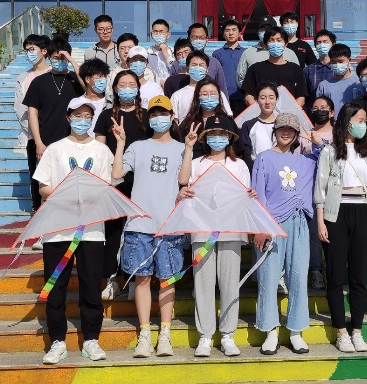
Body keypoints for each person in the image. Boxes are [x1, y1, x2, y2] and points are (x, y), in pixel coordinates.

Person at [37, 97, 113, 364]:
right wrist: (66, 196)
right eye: (77, 116)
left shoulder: (101, 150)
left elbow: (106, 185)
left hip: (91, 230)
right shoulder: (55, 149)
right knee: (55, 285)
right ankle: (57, 341)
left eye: (87, 117)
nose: (82, 120)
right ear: (68, 117)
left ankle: (91, 339)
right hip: (58, 229)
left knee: (91, 285)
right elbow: (43, 187)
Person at [110, 95, 185, 358]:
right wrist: (120, 143)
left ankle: (165, 333)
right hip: (139, 223)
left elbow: (185, 180)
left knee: (167, 279)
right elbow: (116, 175)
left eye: (163, 113)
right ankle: (144, 333)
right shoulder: (137, 147)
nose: (158, 118)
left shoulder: (182, 148)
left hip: (169, 224)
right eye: (153, 114)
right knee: (142, 279)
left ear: (172, 117)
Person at [178, 114, 252, 358]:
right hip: (202, 228)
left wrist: (249, 196)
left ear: (229, 137)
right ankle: (205, 335)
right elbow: (183, 181)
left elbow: (245, 197)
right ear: (205, 138)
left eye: (221, 134)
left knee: (230, 283)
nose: (217, 138)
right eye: (212, 134)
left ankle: (228, 334)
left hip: (231, 229)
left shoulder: (239, 165)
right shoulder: (197, 163)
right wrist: (188, 148)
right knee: (203, 283)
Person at [314, 101, 367, 354]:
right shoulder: (330, 151)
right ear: (347, 121)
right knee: (336, 275)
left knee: (359, 277)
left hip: (362, 212)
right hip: (335, 214)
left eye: (365, 121)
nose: (363, 125)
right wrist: (321, 221)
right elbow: (320, 189)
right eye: (359, 120)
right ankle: (341, 331)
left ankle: (357, 331)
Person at [251, 113, 315, 356]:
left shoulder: (307, 161)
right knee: (268, 277)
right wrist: (261, 228)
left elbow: (331, 153)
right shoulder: (263, 158)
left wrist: (316, 140)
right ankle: (270, 330)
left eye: (291, 129)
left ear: (297, 134)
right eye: (281, 129)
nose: (285, 133)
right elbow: (258, 193)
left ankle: (296, 330)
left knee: (298, 276)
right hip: (272, 224)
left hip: (299, 222)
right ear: (274, 131)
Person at [94, 70, 147, 300]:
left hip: (142, 183)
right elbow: (99, 150)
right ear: (115, 89)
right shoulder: (106, 116)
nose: (127, 88)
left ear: (138, 87)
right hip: (114, 182)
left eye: (131, 84)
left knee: (137, 232)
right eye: (122, 85)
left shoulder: (147, 116)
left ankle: (134, 278)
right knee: (113, 232)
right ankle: (111, 279)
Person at [23, 41, 84, 210]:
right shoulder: (39, 82)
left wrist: (71, 61)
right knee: (46, 185)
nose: (59, 61)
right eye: (55, 57)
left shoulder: (74, 78)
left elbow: (88, 88)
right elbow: (32, 113)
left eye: (62, 57)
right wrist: (38, 142)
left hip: (73, 141)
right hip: (47, 141)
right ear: (48, 57)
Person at [14, 35, 51, 211]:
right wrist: (34, 133)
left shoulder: (54, 74)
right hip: (31, 136)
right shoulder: (23, 77)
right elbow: (19, 108)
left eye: (32, 49)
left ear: (44, 51)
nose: (29, 53)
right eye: (26, 50)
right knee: (35, 174)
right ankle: (37, 210)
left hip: (55, 133)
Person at [302, 96, 334, 289]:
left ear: (332, 112)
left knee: (334, 234)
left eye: (323, 107)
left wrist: (320, 144)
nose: (319, 111)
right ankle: (316, 270)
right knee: (314, 232)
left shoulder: (340, 134)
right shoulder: (304, 134)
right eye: (315, 108)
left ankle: (334, 270)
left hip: (334, 191)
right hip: (311, 190)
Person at [240, 26, 308, 107]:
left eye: (279, 40)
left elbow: (301, 97)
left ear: (286, 44)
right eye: (271, 40)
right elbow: (249, 97)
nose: (275, 43)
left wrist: (291, 111)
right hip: (261, 113)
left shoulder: (296, 69)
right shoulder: (255, 69)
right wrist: (262, 111)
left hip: (289, 113)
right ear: (265, 45)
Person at [178, 77, 236, 160]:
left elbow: (238, 151)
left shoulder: (228, 123)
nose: (209, 97)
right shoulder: (188, 124)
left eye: (213, 94)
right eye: (204, 94)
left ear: (219, 96)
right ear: (197, 97)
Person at [170, 50, 232, 123]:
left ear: (207, 70)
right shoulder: (177, 95)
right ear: (187, 69)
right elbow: (174, 122)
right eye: (194, 65)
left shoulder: (217, 93)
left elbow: (228, 117)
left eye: (201, 65)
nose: (198, 68)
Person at [236, 22, 300, 89]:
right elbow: (241, 78)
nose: (265, 31)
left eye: (268, 28)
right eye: (262, 29)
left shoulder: (290, 53)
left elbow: (297, 79)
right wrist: (252, 92)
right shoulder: (249, 53)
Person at [211, 19, 248, 115]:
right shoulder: (217, 53)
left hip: (241, 96)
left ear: (239, 33)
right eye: (227, 30)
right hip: (223, 96)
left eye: (234, 30)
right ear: (223, 34)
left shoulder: (246, 52)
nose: (231, 33)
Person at [106, 33, 157, 103]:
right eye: (122, 48)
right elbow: (109, 97)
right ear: (117, 51)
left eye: (130, 48)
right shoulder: (112, 74)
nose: (126, 51)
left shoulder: (150, 72)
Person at [315, 43, 364, 115]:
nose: (337, 64)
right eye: (333, 62)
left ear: (349, 60)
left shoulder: (360, 83)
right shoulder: (324, 86)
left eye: (341, 61)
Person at [183, 23, 230, 96]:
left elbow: (222, 89)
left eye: (202, 38)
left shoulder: (214, 63)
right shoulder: (179, 63)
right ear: (189, 39)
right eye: (194, 37)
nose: (198, 40)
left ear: (207, 39)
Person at [239, 83, 279, 168]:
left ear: (276, 99)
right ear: (257, 100)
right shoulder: (248, 125)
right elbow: (246, 153)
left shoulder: (284, 125)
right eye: (263, 98)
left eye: (271, 97)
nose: (267, 102)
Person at [303, 29, 336, 109]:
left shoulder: (337, 68)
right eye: (318, 43)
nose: (322, 45)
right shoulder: (308, 70)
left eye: (325, 42)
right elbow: (305, 95)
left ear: (333, 45)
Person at [78, 58, 110, 136]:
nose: (103, 80)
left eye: (105, 77)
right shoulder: (78, 103)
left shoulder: (111, 102)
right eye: (99, 77)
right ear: (88, 79)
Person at [148, 19, 174, 86]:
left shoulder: (174, 53)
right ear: (151, 34)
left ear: (168, 35)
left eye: (161, 32)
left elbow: (176, 69)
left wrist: (165, 53)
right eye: (155, 31)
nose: (158, 34)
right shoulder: (147, 53)